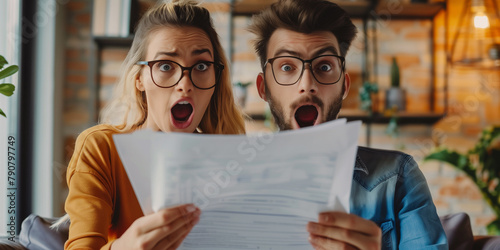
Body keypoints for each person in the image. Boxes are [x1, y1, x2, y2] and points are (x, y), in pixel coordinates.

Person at [248, 0, 448, 249]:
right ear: (263, 88)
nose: (307, 83)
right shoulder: (231, 182)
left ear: (344, 86)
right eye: (287, 67)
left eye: (324, 66)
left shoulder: (399, 176)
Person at [63, 1, 245, 249]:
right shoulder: (102, 148)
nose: (185, 84)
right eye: (166, 66)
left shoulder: (234, 159)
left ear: (216, 79)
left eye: (201, 66)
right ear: (140, 79)